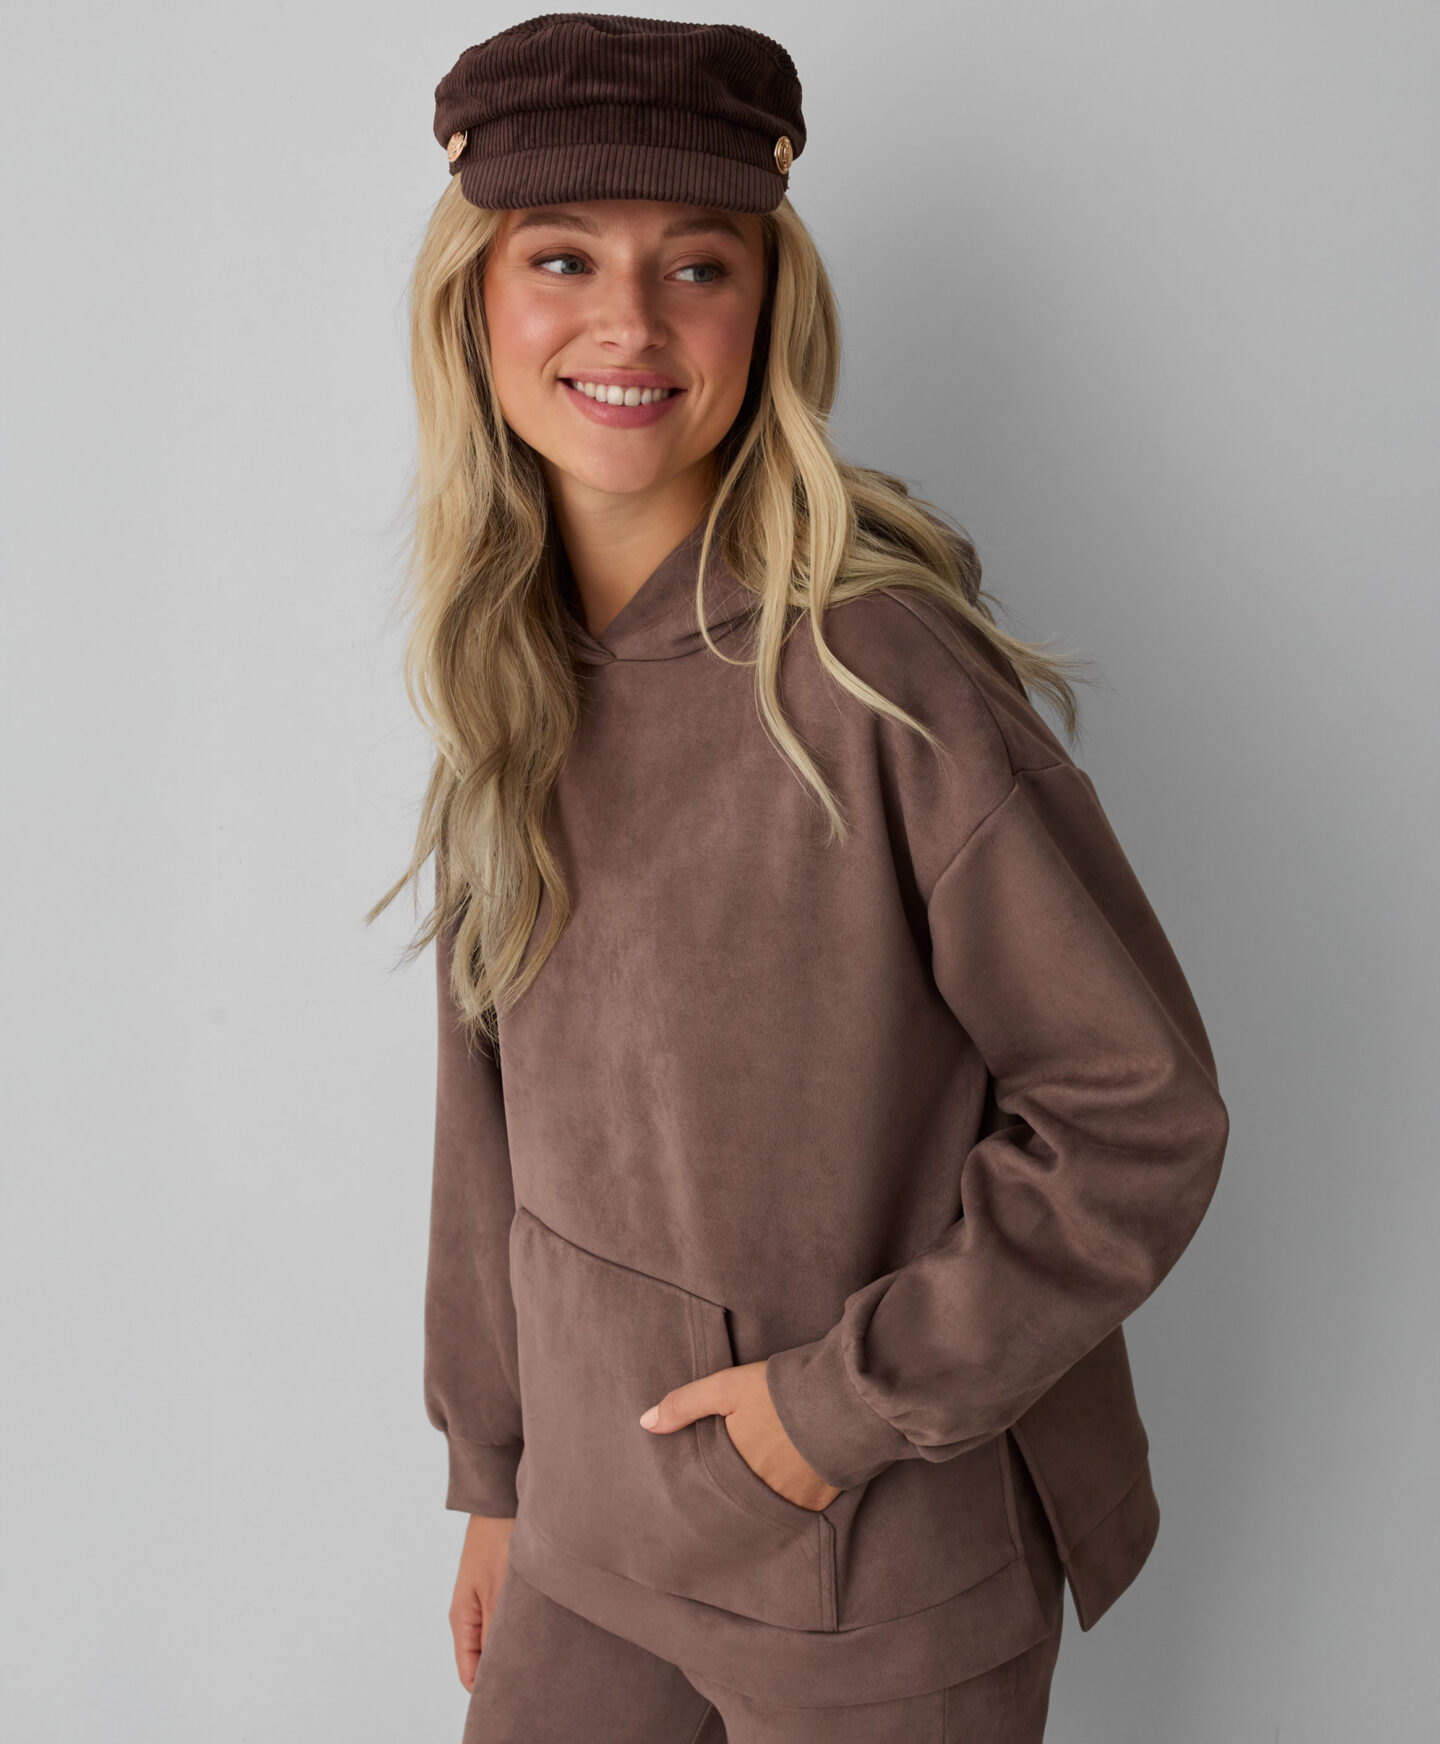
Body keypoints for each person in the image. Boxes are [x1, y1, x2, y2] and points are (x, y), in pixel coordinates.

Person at [366, 14, 1231, 1742]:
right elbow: (493, 1116)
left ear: (769, 309)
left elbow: (1137, 1113)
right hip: (591, 1542)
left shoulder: (875, 675)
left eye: (698, 264)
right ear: (473, 301)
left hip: (873, 1560)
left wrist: (830, 1416)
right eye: (562, 258)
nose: (629, 321)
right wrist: (502, 1475)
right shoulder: (508, 671)